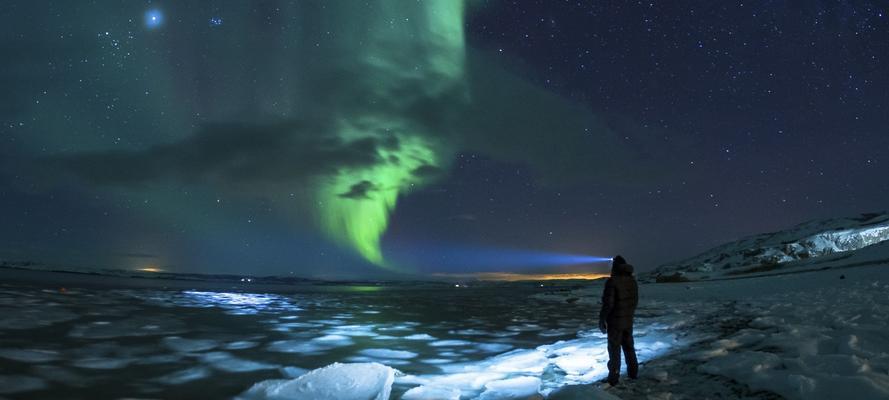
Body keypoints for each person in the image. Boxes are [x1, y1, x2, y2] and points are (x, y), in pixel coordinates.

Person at [598, 255, 639, 386]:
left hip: (615, 322)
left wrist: (602, 318)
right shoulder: (632, 281)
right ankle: (633, 373)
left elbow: (608, 304)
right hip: (628, 320)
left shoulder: (612, 281)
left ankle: (613, 378)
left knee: (614, 349)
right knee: (629, 347)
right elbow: (634, 301)